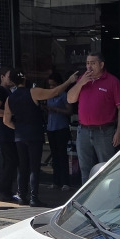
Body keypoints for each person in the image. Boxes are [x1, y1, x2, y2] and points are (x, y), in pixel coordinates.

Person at [7, 69, 78, 206]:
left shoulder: (10, 97)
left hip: (20, 136)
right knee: (34, 167)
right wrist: (69, 81)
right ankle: (34, 198)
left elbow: (6, 120)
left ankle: (21, 195)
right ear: (24, 78)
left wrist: (19, 128)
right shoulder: (33, 92)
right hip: (34, 134)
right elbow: (54, 92)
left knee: (22, 166)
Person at [66, 52, 120, 182]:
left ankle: (106, 199)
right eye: (87, 63)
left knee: (106, 168)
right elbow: (70, 99)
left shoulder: (112, 81)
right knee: (85, 168)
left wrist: (119, 131)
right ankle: (85, 201)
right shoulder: (82, 80)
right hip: (83, 131)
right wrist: (80, 83)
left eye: (92, 63)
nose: (89, 67)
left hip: (104, 131)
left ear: (101, 64)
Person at [0, 66, 20, 202]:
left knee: (9, 161)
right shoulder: (1, 91)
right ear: (2, 77)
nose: (11, 79)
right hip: (5, 132)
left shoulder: (7, 91)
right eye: (9, 76)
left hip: (7, 132)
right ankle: (2, 188)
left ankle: (6, 189)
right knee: (12, 160)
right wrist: (10, 113)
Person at [45, 72, 72, 191]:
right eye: (50, 85)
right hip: (51, 127)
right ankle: (56, 181)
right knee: (54, 155)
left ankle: (65, 181)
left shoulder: (64, 95)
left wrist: (56, 109)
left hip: (61, 127)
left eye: (53, 85)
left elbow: (69, 111)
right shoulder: (49, 96)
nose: (51, 88)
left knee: (62, 155)